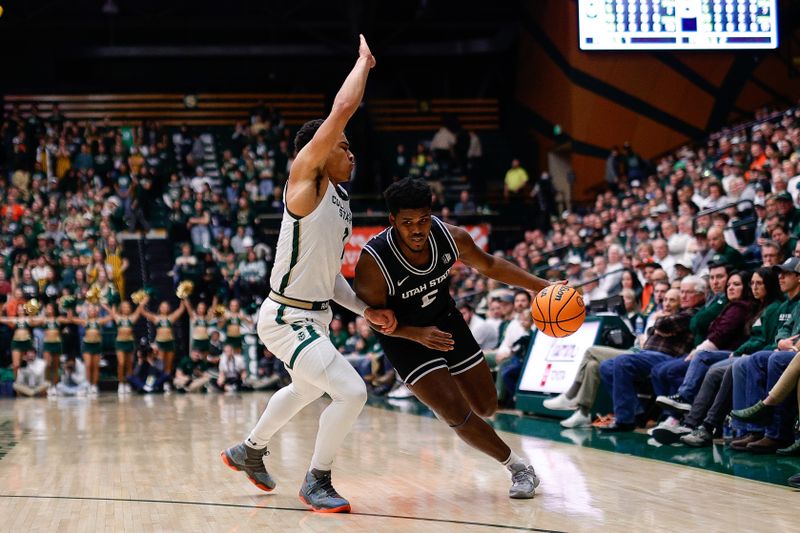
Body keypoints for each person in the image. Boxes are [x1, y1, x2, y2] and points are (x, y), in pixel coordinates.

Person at [221, 36, 397, 514]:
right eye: (342, 146)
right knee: (352, 391)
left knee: (306, 388)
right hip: (285, 318)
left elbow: (332, 278)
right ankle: (316, 480)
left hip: (312, 317)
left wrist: (367, 311)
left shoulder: (338, 201)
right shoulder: (305, 181)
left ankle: (249, 451)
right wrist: (363, 64)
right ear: (317, 154)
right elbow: (341, 107)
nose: (351, 153)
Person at [354, 177, 564, 500]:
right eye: (407, 222)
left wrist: (539, 285)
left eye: (423, 220)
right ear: (392, 221)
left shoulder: (452, 238)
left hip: (446, 321)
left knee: (487, 405)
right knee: (456, 411)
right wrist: (416, 334)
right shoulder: (373, 263)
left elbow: (490, 264)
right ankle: (519, 467)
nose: (417, 230)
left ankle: (455, 412)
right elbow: (376, 320)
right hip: (404, 337)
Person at [544, 288, 681, 428]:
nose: (667, 303)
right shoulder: (654, 315)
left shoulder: (673, 316)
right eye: (665, 299)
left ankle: (570, 395)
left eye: (672, 300)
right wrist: (652, 326)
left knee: (591, 351)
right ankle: (583, 413)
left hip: (648, 355)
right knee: (592, 365)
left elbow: (654, 330)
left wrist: (654, 322)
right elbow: (644, 336)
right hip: (637, 351)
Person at [598, 276, 707, 431]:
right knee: (606, 366)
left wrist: (659, 323)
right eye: (682, 292)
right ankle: (637, 413)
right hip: (647, 354)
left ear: (701, 295)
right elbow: (651, 330)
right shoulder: (679, 312)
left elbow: (664, 324)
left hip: (667, 356)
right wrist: (657, 326)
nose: (683, 296)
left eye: (688, 292)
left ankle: (624, 420)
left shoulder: (694, 313)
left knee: (622, 361)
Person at [70, 303, 114, 396]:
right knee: (88, 365)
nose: (92, 312)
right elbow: (71, 319)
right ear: (87, 312)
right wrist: (69, 307)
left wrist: (105, 306)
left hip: (97, 344)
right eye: (90, 310)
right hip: (87, 345)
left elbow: (112, 316)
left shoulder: (99, 321)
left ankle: (94, 385)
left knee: (95, 366)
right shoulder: (85, 321)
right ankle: (88, 384)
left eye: (93, 310)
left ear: (97, 312)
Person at [140, 296, 185, 384]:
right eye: (162, 306)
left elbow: (181, 309)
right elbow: (142, 311)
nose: (164, 308)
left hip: (170, 343)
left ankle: (166, 383)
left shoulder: (171, 317)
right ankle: (158, 383)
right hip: (160, 343)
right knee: (160, 365)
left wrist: (183, 297)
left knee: (168, 365)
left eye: (166, 306)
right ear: (159, 308)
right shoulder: (156, 318)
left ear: (169, 308)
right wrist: (144, 301)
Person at [106, 300, 145, 395]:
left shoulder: (132, 318)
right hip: (120, 343)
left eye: (127, 306)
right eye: (124, 307)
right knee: (121, 363)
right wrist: (104, 302)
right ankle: (121, 383)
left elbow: (139, 309)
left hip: (130, 343)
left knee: (129, 364)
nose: (126, 308)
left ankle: (128, 383)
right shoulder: (118, 317)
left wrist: (144, 299)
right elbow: (111, 311)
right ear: (121, 308)